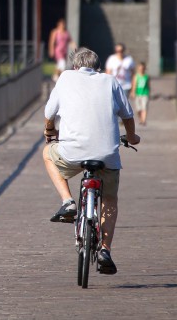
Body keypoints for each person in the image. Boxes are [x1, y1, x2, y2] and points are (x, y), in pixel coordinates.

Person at [42, 47, 140, 275]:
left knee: (47, 154)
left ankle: (68, 202)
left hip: (72, 152)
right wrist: (133, 137)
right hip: (107, 155)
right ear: (96, 66)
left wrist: (49, 132)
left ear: (75, 66)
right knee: (109, 200)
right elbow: (127, 115)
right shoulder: (110, 81)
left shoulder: (65, 77)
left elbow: (49, 113)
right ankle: (105, 248)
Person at [131, 61, 150, 125]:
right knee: (138, 109)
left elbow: (148, 85)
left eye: (142, 68)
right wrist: (133, 92)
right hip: (138, 94)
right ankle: (141, 119)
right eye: (140, 68)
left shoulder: (146, 76)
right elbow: (134, 85)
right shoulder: (136, 76)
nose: (141, 70)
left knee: (144, 107)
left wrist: (149, 92)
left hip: (145, 94)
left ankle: (143, 120)